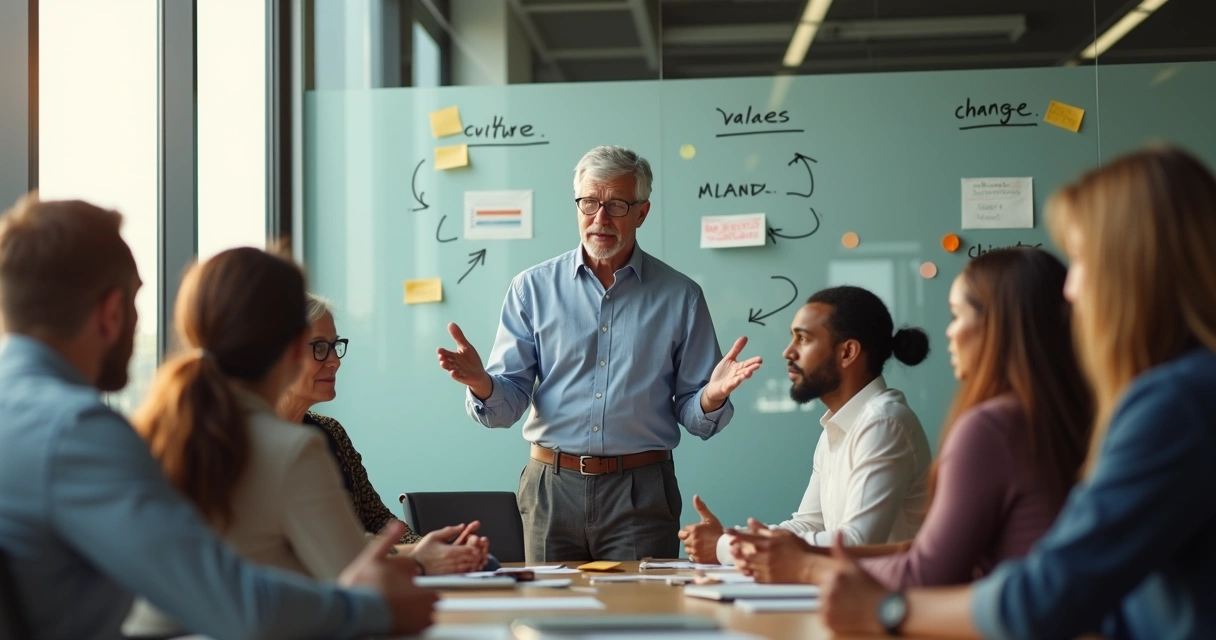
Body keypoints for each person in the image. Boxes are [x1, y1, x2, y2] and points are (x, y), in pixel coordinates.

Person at [818, 147, 1216, 639]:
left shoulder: (1174, 404)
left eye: (1084, 261)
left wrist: (885, 612)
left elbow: (1052, 591)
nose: (1071, 291)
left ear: (1136, 271)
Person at [0, 195, 435, 640]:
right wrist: (369, 607)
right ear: (112, 313)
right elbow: (232, 603)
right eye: (136, 303)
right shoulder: (75, 431)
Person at [437, 145, 762, 562]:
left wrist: (711, 397)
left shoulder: (681, 297)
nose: (600, 219)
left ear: (642, 213)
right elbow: (505, 409)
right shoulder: (531, 289)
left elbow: (698, 420)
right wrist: (482, 384)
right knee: (548, 619)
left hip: (641, 491)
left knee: (637, 621)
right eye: (589, 203)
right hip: (550, 488)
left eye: (617, 205)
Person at [728, 249, 1092, 589]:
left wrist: (801, 565)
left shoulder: (984, 427)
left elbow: (925, 568)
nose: (948, 332)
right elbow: (922, 554)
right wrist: (755, 546)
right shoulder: (1056, 419)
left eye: (956, 316)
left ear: (998, 327)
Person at [680, 286, 932, 565]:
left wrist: (724, 547)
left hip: (888, 603)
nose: (788, 352)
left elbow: (857, 542)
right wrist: (730, 539)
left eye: (803, 339)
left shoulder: (883, 423)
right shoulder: (838, 427)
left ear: (847, 352)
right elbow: (809, 525)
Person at [276, 294, 490, 574]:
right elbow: (328, 546)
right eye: (319, 347)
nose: (334, 362)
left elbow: (377, 520)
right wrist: (416, 554)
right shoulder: (250, 442)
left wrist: (436, 548)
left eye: (334, 346)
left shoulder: (331, 433)